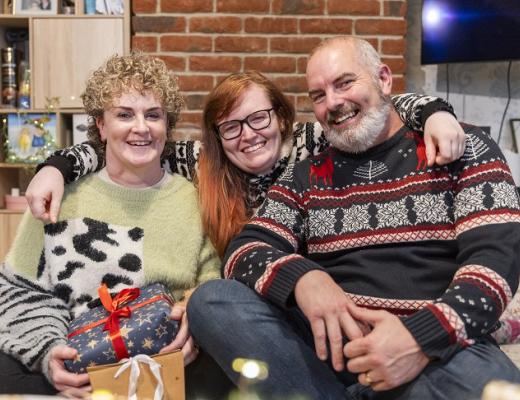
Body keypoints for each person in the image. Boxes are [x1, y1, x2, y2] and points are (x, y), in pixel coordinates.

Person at [186, 36, 520, 400]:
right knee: (213, 300)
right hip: (332, 356)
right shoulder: (306, 175)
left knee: (500, 391)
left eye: (344, 83)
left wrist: (419, 339)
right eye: (318, 95)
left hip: (437, 353)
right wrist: (304, 279)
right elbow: (243, 251)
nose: (333, 103)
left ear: (384, 80)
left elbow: (495, 265)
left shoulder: (464, 148)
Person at [25, 76, 465, 258]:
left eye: (259, 119)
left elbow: (378, 109)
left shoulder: (312, 143)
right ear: (216, 135)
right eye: (231, 126)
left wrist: (436, 114)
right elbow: (121, 148)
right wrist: (54, 168)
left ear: (280, 116)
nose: (249, 135)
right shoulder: (201, 161)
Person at [0, 53, 226, 398]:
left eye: (154, 115)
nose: (141, 127)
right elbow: (18, 290)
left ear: (167, 125)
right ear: (101, 126)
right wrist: (48, 353)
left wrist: (191, 323)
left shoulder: (192, 199)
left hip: (165, 371)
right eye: (124, 114)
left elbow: (212, 282)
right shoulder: (58, 196)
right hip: (74, 368)